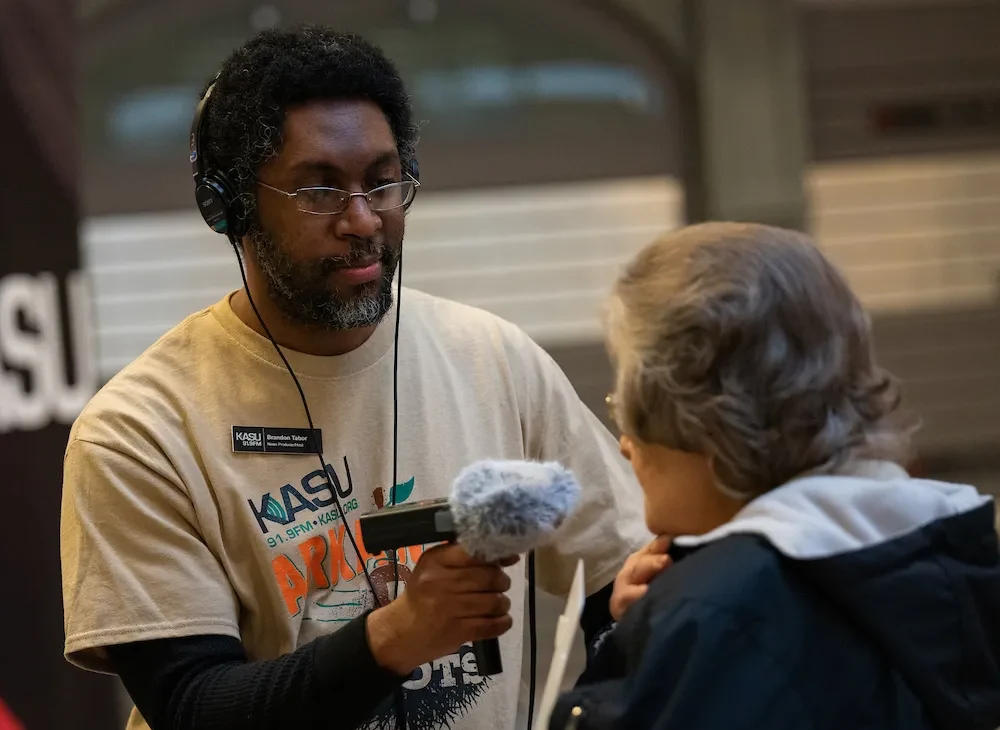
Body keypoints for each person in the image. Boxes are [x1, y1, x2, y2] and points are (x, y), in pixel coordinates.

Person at [59, 26, 652, 730]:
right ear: (231, 208)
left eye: (382, 181)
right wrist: (395, 637)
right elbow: (190, 705)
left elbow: (622, 578)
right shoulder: (137, 432)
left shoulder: (494, 358)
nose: (364, 220)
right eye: (320, 190)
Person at [550, 222, 1000, 729]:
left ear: (696, 416)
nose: (625, 443)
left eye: (627, 404)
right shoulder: (942, 548)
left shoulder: (721, 611)